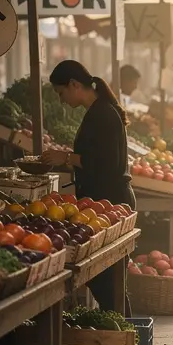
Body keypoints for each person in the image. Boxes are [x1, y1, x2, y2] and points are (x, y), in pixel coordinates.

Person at [40, 60, 135, 313]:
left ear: (74, 84)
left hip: (111, 202)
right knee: (107, 281)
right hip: (104, 202)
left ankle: (126, 337)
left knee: (107, 282)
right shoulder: (98, 111)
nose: (61, 100)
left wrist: (67, 158)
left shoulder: (102, 113)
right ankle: (125, 336)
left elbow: (107, 164)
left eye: (61, 93)